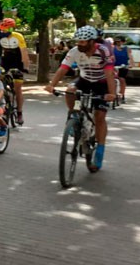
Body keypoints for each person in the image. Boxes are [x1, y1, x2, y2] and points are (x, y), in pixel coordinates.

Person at [45, 26, 116, 170]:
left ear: (92, 41)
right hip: (84, 80)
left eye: (83, 42)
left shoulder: (103, 50)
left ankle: (100, 151)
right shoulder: (74, 51)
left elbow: (109, 73)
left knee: (100, 116)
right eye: (79, 41)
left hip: (102, 83)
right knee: (70, 90)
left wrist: (112, 93)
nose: (80, 44)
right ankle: (74, 115)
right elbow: (63, 69)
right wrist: (51, 85)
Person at [0, 17, 30, 125]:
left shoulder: (18, 37)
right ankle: (2, 102)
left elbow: (24, 52)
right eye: (1, 29)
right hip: (5, 61)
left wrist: (26, 66)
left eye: (4, 29)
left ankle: (19, 112)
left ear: (10, 29)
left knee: (18, 88)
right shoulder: (0, 37)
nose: (2, 31)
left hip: (17, 62)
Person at [112, 36, 134, 103]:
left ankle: (122, 95)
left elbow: (130, 57)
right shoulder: (113, 49)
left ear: (123, 42)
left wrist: (131, 64)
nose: (118, 43)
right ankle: (112, 94)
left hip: (124, 67)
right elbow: (112, 58)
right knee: (111, 80)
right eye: (117, 41)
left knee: (122, 79)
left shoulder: (127, 49)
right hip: (114, 67)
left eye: (120, 41)